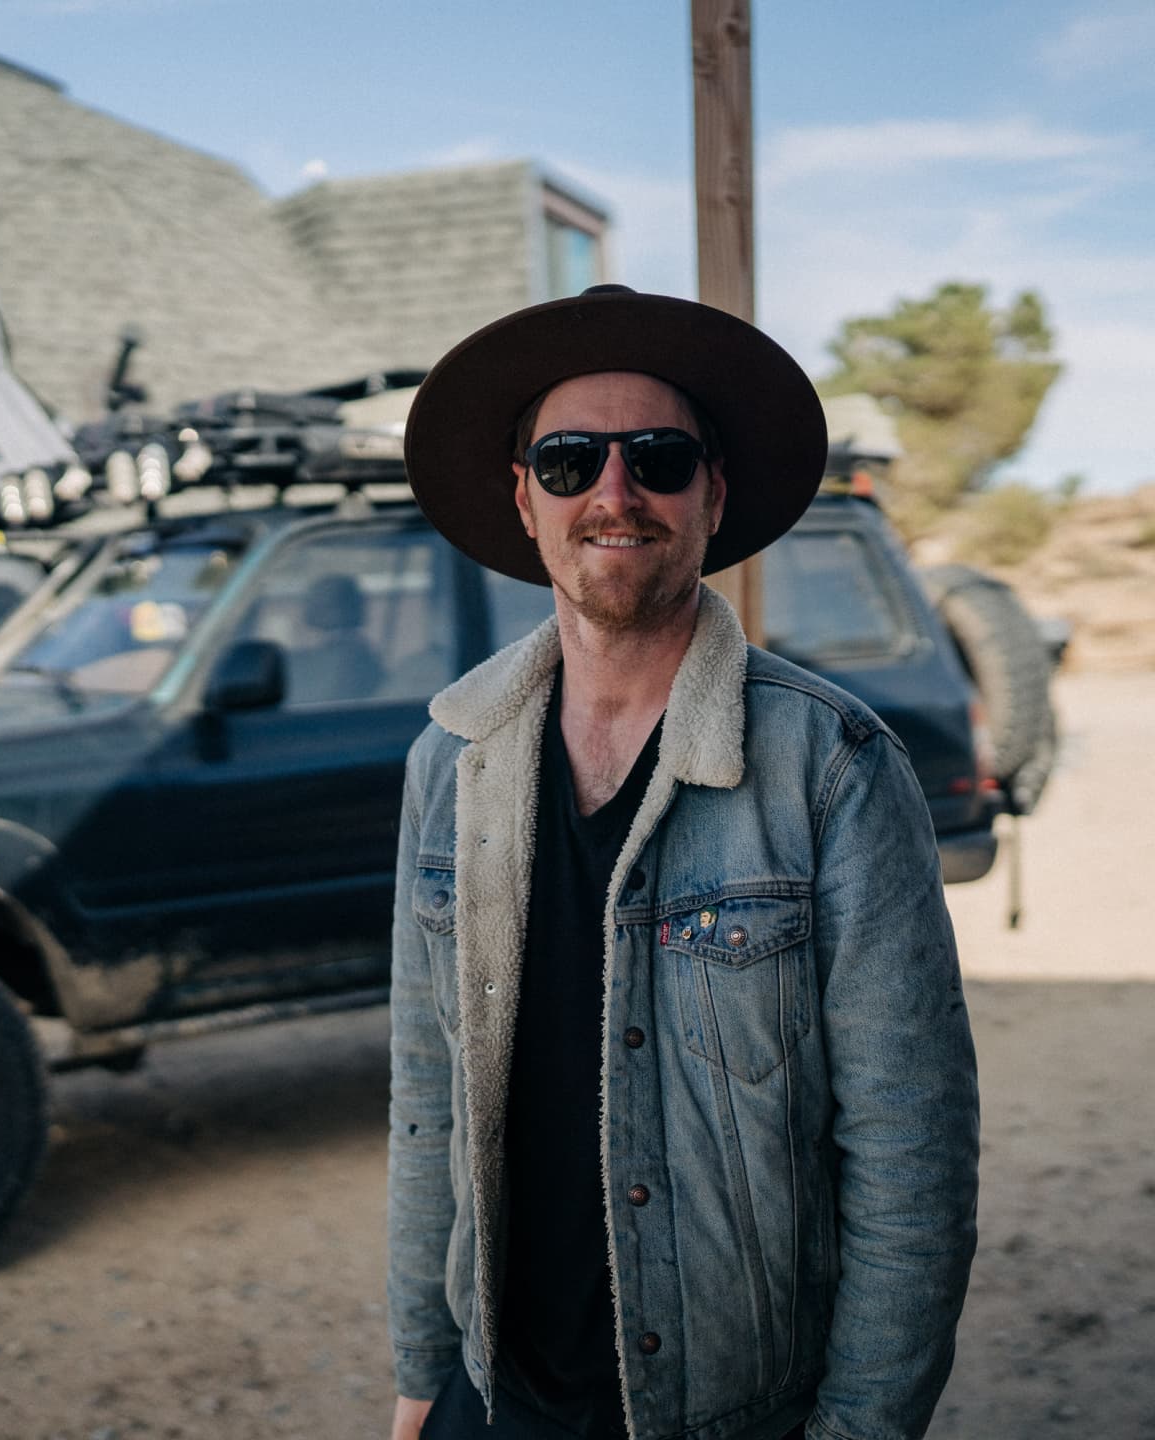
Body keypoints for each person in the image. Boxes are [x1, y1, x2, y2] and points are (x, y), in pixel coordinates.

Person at [389, 285, 979, 1440]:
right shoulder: (447, 760)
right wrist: (422, 1375)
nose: (614, 493)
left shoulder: (832, 767)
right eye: (569, 462)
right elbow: (426, 1101)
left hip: (731, 1411)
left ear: (711, 492)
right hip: (496, 1396)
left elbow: (913, 1151)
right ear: (525, 499)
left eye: (656, 458)